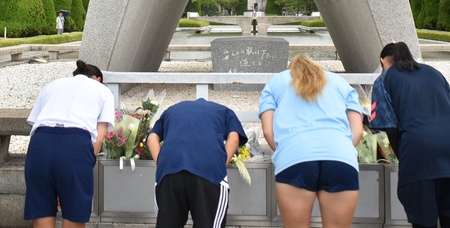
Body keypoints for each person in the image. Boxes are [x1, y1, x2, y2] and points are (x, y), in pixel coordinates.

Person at [374, 42, 450, 228]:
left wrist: (405, 159)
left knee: (424, 222)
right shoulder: (435, 73)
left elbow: (389, 126)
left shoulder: (385, 79)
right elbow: (448, 108)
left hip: (420, 151)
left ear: (384, 60)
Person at [259, 54, 364, 228]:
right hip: (340, 157)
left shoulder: (275, 82)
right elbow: (358, 131)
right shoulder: (340, 83)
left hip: (295, 156)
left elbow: (268, 130)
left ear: (291, 69)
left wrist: (283, 151)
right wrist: (341, 147)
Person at [24, 60, 116, 228]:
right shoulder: (102, 90)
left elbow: (36, 120)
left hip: (40, 143)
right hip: (75, 144)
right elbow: (99, 137)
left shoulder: (52, 85)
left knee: (42, 209)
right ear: (98, 78)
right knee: (74, 212)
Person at [146, 99, 248, 228]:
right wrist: (220, 165)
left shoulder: (171, 111)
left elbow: (151, 138)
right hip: (208, 169)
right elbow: (234, 138)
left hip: (170, 169)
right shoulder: (224, 112)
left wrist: (162, 164)